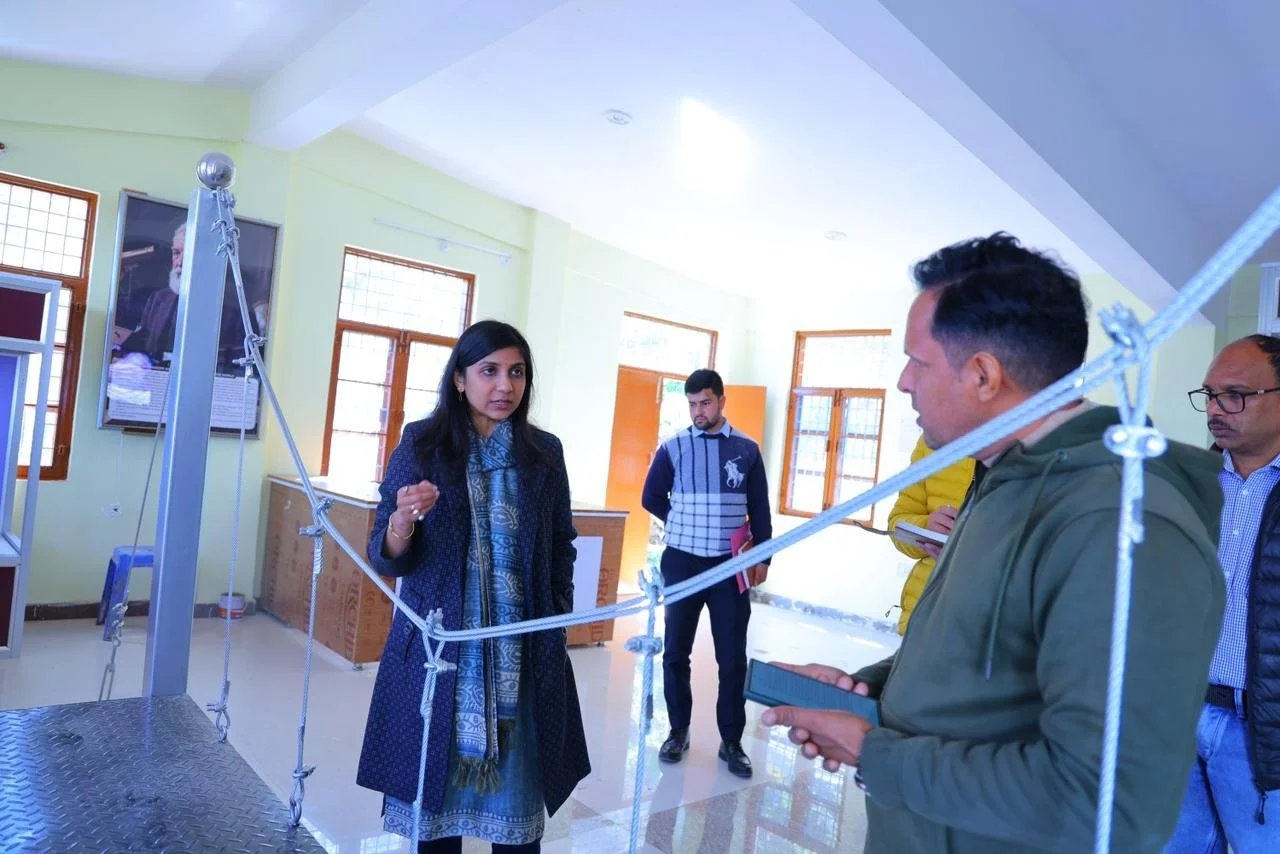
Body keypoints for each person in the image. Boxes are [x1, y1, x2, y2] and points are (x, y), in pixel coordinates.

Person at [762, 232, 1225, 852]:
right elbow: (988, 657)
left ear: (983, 375)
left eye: (918, 361)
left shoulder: (1117, 521)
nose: (903, 382)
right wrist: (870, 692)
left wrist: (878, 756)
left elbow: (1107, 804)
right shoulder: (1007, 480)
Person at [356, 319, 590, 853]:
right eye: (489, 371)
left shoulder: (544, 453)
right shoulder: (423, 444)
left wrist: (555, 612)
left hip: (520, 664)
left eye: (517, 372)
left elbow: (561, 542)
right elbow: (384, 554)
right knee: (436, 826)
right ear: (459, 379)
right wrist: (403, 521)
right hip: (441, 662)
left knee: (518, 832)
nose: (505, 386)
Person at [1164, 334, 1280, 851]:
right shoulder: (1187, 483)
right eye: (1210, 395)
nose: (1215, 409)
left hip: (1264, 736)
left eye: (1236, 395)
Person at [641, 368, 772, 779]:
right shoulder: (673, 447)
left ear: (721, 401)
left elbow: (760, 509)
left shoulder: (747, 449)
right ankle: (677, 732)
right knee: (675, 652)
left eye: (706, 403)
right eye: (692, 404)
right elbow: (650, 497)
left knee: (732, 658)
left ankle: (731, 741)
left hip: (728, 568)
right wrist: (682, 522)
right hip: (682, 563)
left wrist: (763, 559)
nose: (699, 411)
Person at [886, 435, 975, 634]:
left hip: (992, 619)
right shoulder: (932, 439)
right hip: (924, 615)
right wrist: (927, 528)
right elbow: (896, 524)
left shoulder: (1030, 436)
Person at [120, 222, 184, 363]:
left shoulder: (220, 309)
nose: (180, 262)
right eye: (176, 253)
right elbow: (144, 341)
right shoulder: (159, 298)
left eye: (189, 254)